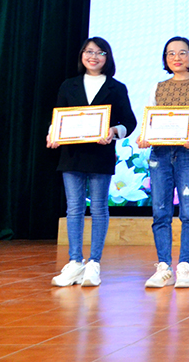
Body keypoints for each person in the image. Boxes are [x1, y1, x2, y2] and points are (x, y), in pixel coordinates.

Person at [47, 37, 137, 287]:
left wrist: (114, 131)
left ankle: (94, 263)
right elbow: (58, 116)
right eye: (89, 51)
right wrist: (52, 134)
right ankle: (75, 262)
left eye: (100, 53)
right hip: (72, 155)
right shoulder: (69, 85)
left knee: (98, 208)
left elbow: (129, 122)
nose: (93, 57)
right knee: (74, 209)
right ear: (82, 55)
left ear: (107, 58)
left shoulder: (116, 87)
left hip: (100, 154)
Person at [138, 36, 189, 289]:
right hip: (160, 155)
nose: (177, 58)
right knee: (160, 211)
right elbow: (150, 119)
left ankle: (184, 267)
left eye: (183, 53)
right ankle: (164, 267)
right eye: (171, 53)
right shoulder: (157, 87)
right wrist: (144, 136)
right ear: (165, 58)